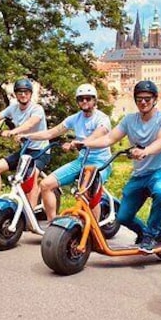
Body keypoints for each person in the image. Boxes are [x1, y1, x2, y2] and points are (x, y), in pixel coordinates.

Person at [79, 80, 161, 253]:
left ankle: (150, 236)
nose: (143, 102)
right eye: (139, 99)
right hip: (140, 174)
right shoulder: (130, 120)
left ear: (155, 99)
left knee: (160, 192)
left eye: (147, 98)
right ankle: (143, 232)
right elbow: (109, 139)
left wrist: (146, 151)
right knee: (123, 217)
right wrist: (85, 143)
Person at [18, 83, 112, 222]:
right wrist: (27, 135)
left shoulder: (102, 119)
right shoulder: (74, 118)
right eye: (81, 99)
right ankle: (52, 224)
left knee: (87, 193)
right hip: (81, 161)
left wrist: (81, 143)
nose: (84, 101)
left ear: (94, 100)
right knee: (45, 185)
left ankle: (93, 232)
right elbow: (51, 132)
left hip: (100, 163)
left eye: (88, 98)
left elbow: (98, 134)